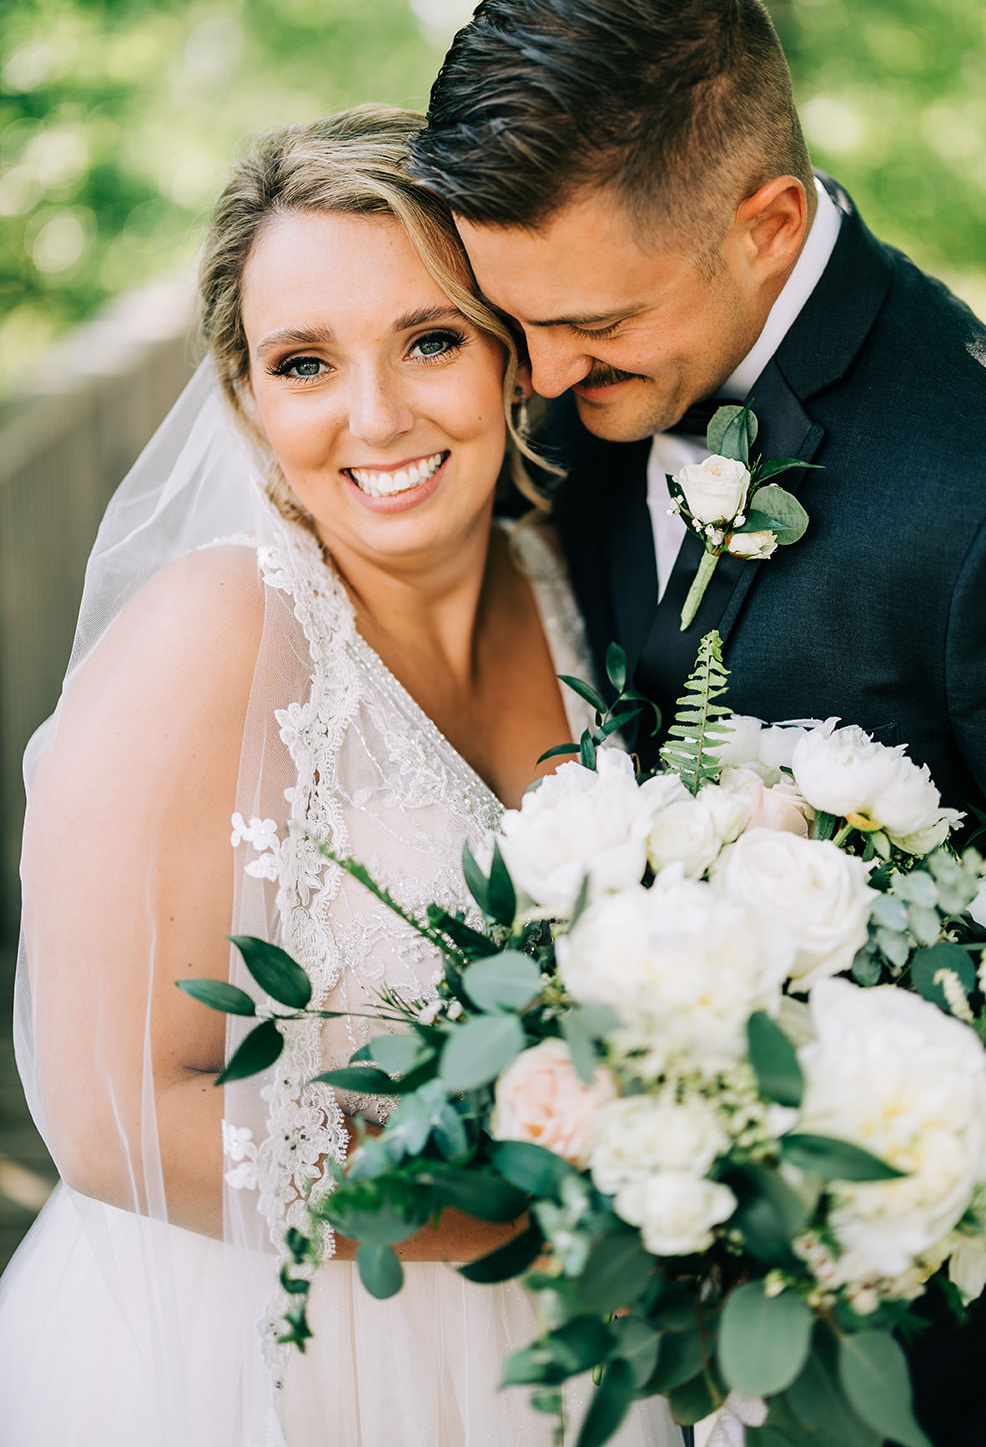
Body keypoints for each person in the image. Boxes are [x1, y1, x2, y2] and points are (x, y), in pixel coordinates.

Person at [407, 0, 986, 1447]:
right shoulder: (572, 372)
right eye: (520, 324)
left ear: (768, 224)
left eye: (595, 327)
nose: (545, 384)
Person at [0, 106, 678, 1447]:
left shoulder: (561, 588)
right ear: (248, 395)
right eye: (305, 363)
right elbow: (107, 1117)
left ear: (512, 358)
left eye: (430, 341)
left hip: (586, 1352)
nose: (377, 419)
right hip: (281, 1358)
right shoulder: (211, 639)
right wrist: (534, 1214)